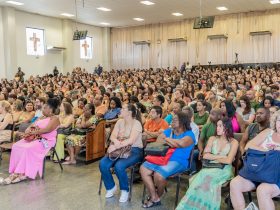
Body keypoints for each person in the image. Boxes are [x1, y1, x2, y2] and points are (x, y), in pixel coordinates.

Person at [176, 118, 239, 210]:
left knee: (204, 178)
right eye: (217, 125)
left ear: (227, 127)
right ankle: (191, 206)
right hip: (210, 167)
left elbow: (229, 161)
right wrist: (221, 157)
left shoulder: (234, 142)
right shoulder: (212, 138)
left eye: (220, 126)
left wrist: (213, 156)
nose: (217, 128)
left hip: (224, 169)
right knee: (201, 177)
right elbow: (205, 156)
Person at [140, 112, 195, 208]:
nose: (172, 120)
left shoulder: (189, 134)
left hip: (178, 161)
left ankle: (158, 195)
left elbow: (181, 144)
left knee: (159, 175)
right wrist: (173, 142)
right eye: (173, 119)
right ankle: (155, 197)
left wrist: (167, 139)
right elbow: (158, 142)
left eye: (176, 119)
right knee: (143, 168)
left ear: (183, 122)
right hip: (162, 157)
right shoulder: (169, 131)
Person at [1, 98, 60, 184]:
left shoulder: (55, 119)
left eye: (44, 108)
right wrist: (27, 131)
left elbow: (47, 130)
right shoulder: (41, 117)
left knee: (27, 148)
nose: (42, 110)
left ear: (50, 109)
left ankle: (19, 173)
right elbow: (32, 125)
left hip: (46, 141)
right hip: (34, 137)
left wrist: (33, 132)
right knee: (16, 146)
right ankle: (19, 173)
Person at [230, 110, 280, 210]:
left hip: (276, 177)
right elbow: (248, 146)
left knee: (263, 190)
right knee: (235, 183)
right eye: (279, 120)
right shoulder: (268, 132)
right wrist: (269, 151)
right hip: (258, 171)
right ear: (275, 121)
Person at [99, 104, 143, 203]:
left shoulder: (137, 123)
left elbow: (131, 141)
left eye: (123, 109)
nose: (120, 110)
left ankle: (124, 190)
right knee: (103, 163)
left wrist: (115, 146)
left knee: (119, 166)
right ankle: (111, 187)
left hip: (134, 150)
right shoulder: (119, 121)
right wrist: (116, 143)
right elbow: (112, 137)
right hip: (118, 150)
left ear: (130, 112)